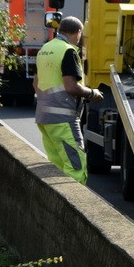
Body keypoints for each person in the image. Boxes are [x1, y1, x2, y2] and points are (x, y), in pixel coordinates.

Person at [33, 16, 103, 184]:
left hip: (44, 119)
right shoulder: (68, 51)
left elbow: (36, 84)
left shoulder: (45, 49)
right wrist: (92, 93)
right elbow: (71, 86)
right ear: (78, 33)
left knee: (58, 167)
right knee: (76, 166)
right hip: (63, 118)